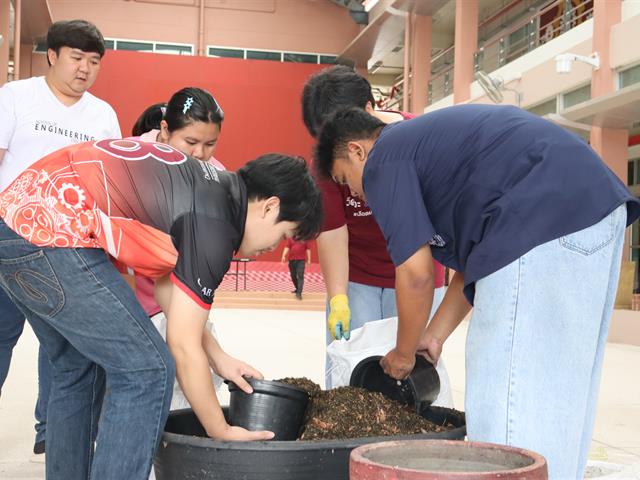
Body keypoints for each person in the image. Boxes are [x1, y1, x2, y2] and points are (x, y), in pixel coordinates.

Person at [314, 104, 640, 479]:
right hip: (594, 211)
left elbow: (416, 275)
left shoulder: (386, 157)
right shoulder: (430, 155)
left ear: (358, 151)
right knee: (555, 393)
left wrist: (403, 355)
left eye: (346, 179)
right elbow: (476, 264)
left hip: (541, 216)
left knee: (505, 393)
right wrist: (432, 338)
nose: (357, 193)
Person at [0, 139, 322, 479]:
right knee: (147, 370)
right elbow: (181, 346)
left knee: (77, 368)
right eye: (285, 234)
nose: (275, 246)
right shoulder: (217, 225)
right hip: (54, 229)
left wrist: (218, 357)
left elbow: (169, 292)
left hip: (16, 219)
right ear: (270, 207)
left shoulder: (208, 188)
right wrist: (220, 429)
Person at [0, 19, 121, 457]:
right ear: (52, 55)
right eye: (76, 58)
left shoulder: (102, 115)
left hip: (70, 249)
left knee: (67, 349)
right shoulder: (16, 98)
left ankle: (52, 428)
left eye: (94, 61)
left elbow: (109, 185)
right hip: (10, 241)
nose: (84, 69)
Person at [302, 65, 447, 392]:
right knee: (351, 372)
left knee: (413, 369)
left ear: (369, 109)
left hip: (417, 270)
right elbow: (333, 230)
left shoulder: (417, 136)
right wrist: (338, 297)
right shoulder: (328, 158)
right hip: (357, 276)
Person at [131, 88, 227, 410]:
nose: (200, 153)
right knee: (140, 380)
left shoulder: (215, 176)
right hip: (126, 287)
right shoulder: (132, 161)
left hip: (174, 291)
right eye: (190, 142)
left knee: (187, 379)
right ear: (165, 130)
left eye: (210, 144)